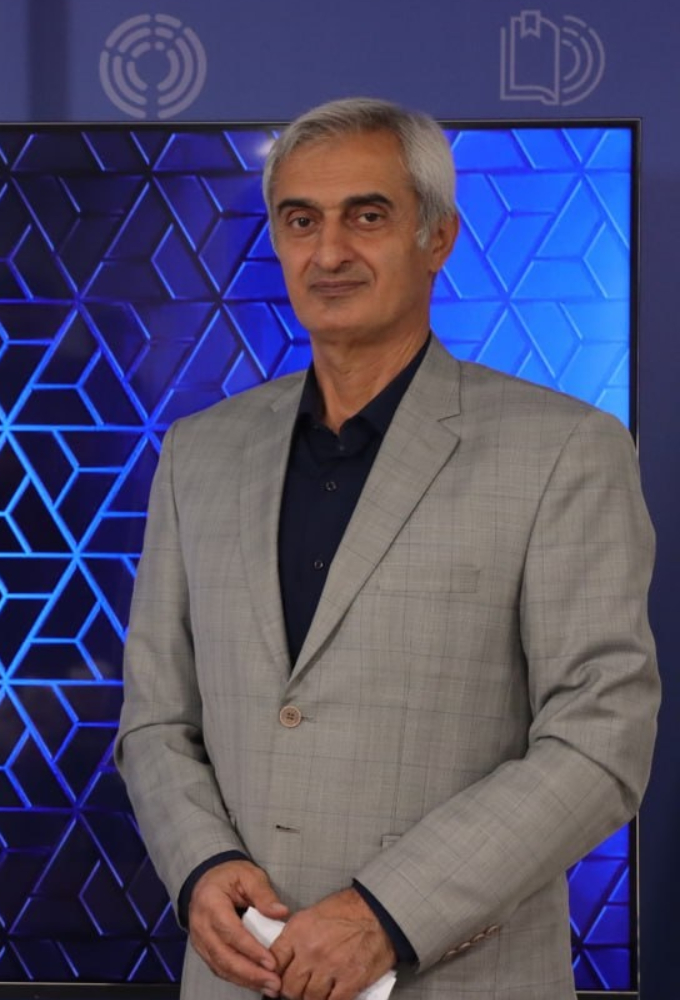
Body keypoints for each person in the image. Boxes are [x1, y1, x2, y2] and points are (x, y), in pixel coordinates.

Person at [115, 97, 658, 1000]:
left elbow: (601, 739)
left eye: (366, 216)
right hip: (236, 978)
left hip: (457, 977)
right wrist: (200, 864)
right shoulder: (198, 454)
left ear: (437, 236)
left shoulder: (564, 450)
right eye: (301, 221)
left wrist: (387, 916)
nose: (328, 252)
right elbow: (155, 718)